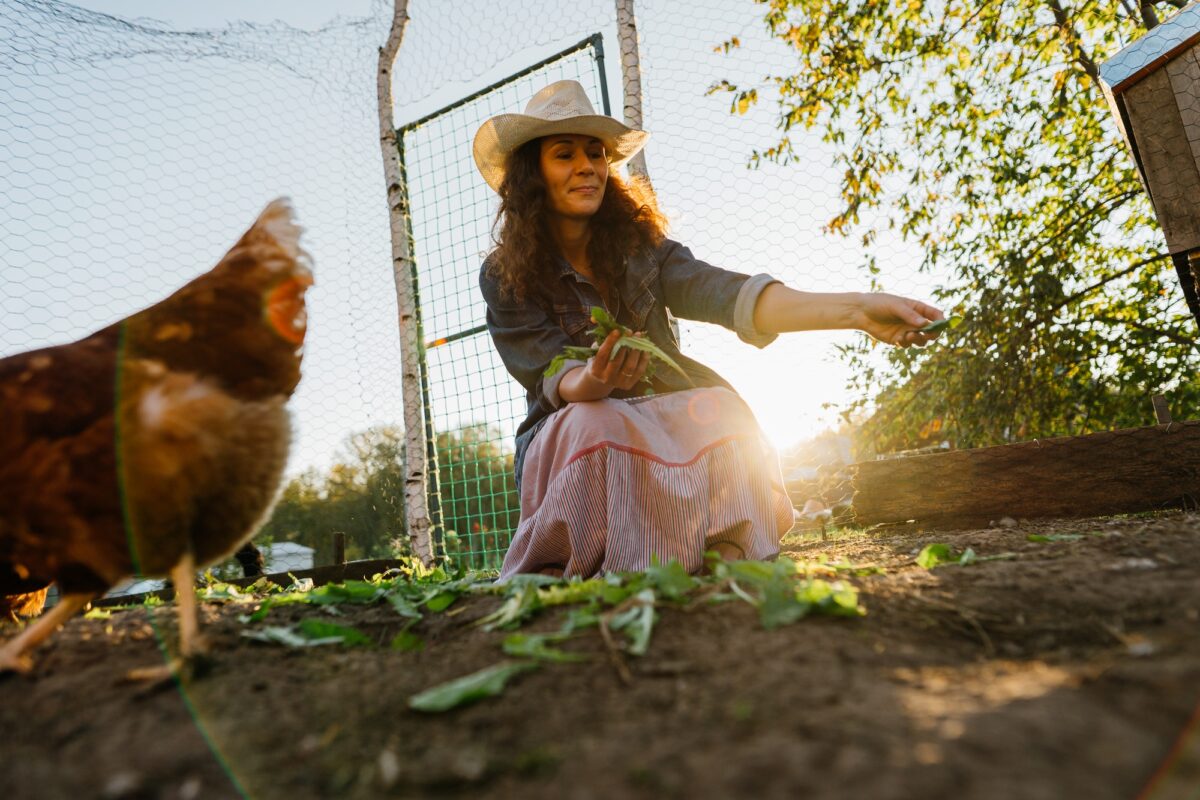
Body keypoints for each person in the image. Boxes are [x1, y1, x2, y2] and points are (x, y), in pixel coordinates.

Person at [473, 80, 942, 579]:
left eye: (595, 153)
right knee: (598, 418)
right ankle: (578, 560)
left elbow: (731, 295)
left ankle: (723, 553)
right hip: (570, 430)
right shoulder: (505, 274)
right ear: (533, 175)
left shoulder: (645, 250)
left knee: (722, 405)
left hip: (659, 419)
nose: (586, 166)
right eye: (564, 155)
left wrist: (857, 311)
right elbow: (551, 372)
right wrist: (596, 380)